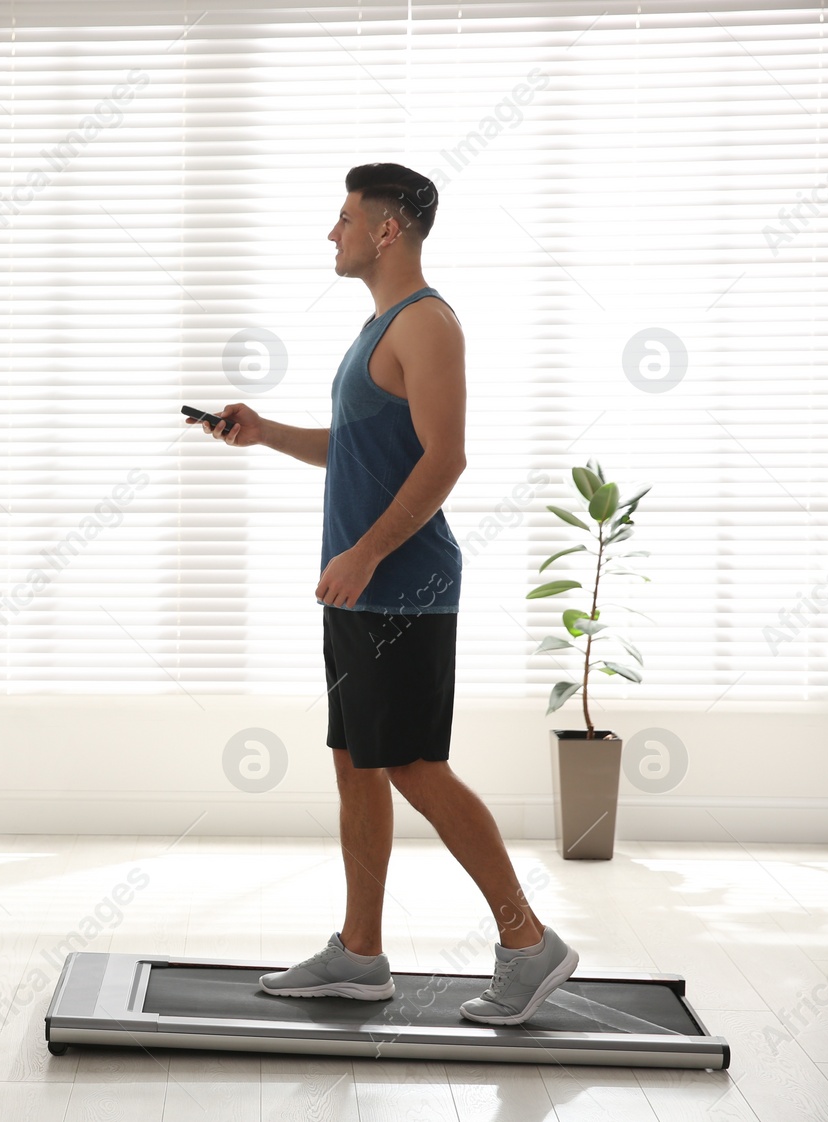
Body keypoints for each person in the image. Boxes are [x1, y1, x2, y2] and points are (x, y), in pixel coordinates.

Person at [187, 162, 578, 1025]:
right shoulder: (378, 330)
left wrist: (364, 554)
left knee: (410, 765)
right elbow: (360, 452)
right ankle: (360, 955)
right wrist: (264, 434)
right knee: (357, 765)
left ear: (386, 231)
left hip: (402, 586)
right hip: (359, 587)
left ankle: (528, 941)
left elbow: (446, 459)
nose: (333, 234)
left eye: (344, 219)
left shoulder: (428, 324)